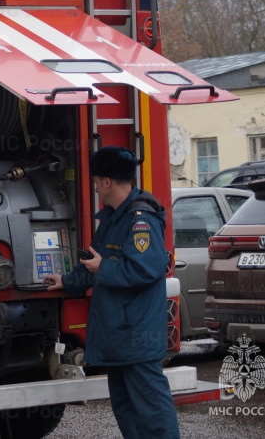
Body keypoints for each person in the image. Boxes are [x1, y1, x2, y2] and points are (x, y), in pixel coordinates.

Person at [44, 145, 180, 439]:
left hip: (137, 335)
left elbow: (147, 270)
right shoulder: (113, 217)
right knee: (125, 407)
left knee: (152, 408)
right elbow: (96, 259)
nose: (95, 189)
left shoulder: (140, 219)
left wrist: (101, 268)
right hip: (120, 335)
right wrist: (67, 282)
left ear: (107, 181)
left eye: (95, 182)